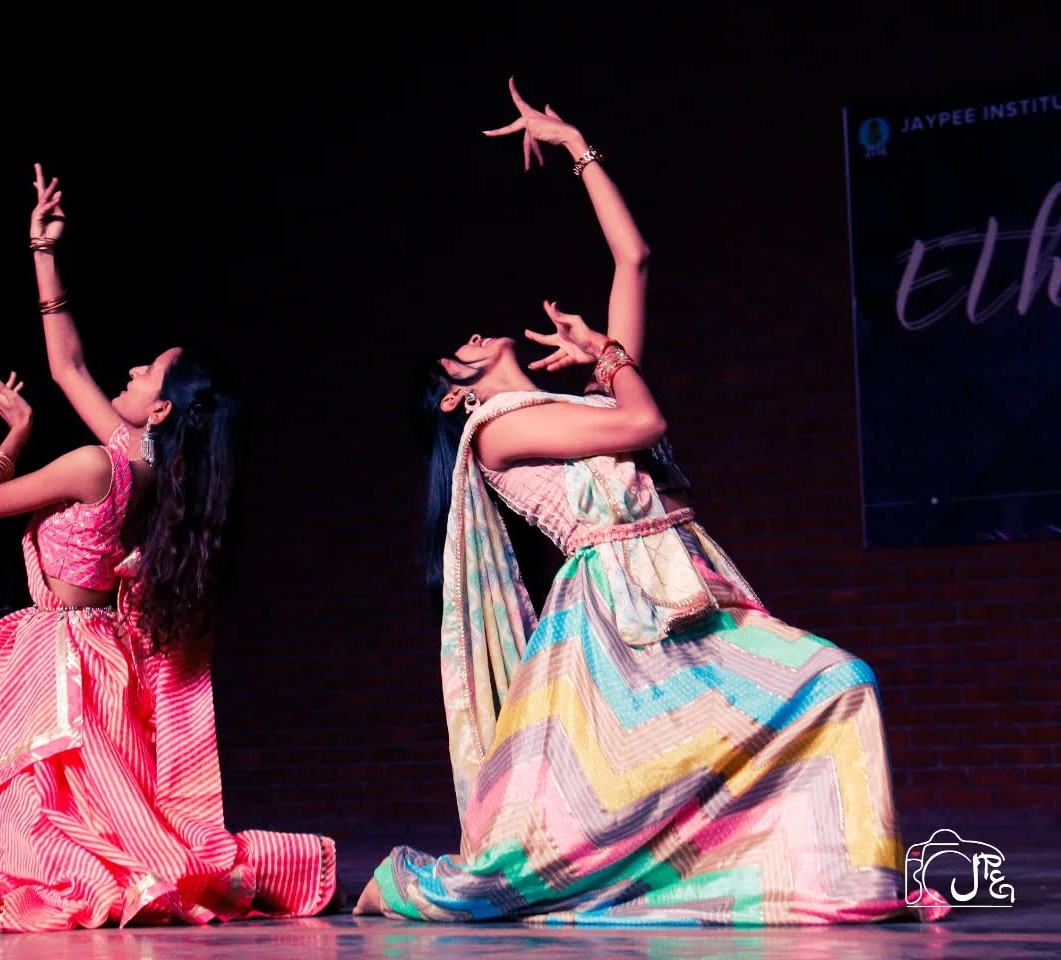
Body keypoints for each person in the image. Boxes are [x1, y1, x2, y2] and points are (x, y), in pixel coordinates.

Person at [354, 78, 949, 925]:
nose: (473, 335)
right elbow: (643, 420)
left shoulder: (572, 405)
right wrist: (608, 358)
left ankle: (829, 878)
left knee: (836, 684)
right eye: (458, 351)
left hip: (684, 586)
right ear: (455, 396)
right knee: (605, 811)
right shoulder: (495, 431)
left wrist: (576, 148)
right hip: (615, 618)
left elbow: (632, 258)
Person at [0, 164, 338, 932]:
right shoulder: (152, 471)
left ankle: (41, 881)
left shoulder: (94, 465)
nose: (130, 370)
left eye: (147, 372)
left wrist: (13, 438)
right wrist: (43, 252)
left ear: (161, 408)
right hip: (100, 656)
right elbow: (68, 366)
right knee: (40, 796)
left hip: (59, 656)